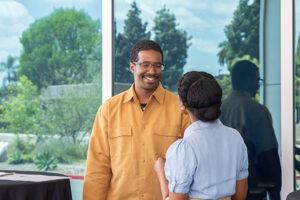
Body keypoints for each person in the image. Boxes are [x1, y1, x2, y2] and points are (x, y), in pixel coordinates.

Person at [83, 40, 190, 200]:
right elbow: (97, 168)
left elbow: (191, 165)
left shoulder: (180, 109)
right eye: (145, 64)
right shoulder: (109, 110)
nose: (152, 71)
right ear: (132, 67)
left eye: (157, 65)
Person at [154, 71, 248, 200]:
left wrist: (161, 172)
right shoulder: (235, 138)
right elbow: (240, 196)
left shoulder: (184, 148)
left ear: (182, 104)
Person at [220, 60, 282, 200]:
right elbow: (268, 154)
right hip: (251, 189)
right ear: (248, 80)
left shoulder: (217, 110)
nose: (258, 85)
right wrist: (275, 192)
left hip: (220, 188)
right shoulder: (257, 111)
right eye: (257, 79)